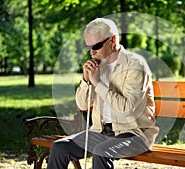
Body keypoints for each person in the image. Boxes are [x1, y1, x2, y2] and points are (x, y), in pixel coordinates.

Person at [47, 18, 159, 169]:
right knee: (60, 147)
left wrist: (97, 83)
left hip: (134, 133)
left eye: (96, 46)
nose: (92, 52)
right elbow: (82, 105)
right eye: (89, 48)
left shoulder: (136, 64)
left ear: (112, 40)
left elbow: (127, 108)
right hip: (101, 130)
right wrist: (86, 80)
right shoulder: (98, 66)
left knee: (101, 151)